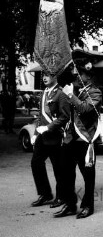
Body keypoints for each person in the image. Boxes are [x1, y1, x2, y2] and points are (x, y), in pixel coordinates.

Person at [54, 60, 102, 219]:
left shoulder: (95, 93)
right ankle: (70, 203)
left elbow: (85, 108)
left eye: (79, 73)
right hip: (70, 138)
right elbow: (62, 112)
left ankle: (88, 205)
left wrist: (70, 95)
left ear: (88, 76)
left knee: (88, 174)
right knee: (64, 173)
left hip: (85, 138)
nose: (76, 76)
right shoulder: (73, 90)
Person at [30, 71, 70, 208]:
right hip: (42, 135)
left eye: (48, 75)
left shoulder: (61, 93)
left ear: (55, 76)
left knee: (58, 168)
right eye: (43, 75)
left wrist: (48, 127)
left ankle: (61, 197)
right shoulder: (44, 93)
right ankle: (45, 193)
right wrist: (35, 133)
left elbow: (65, 117)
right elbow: (41, 116)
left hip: (56, 135)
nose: (44, 78)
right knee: (36, 163)